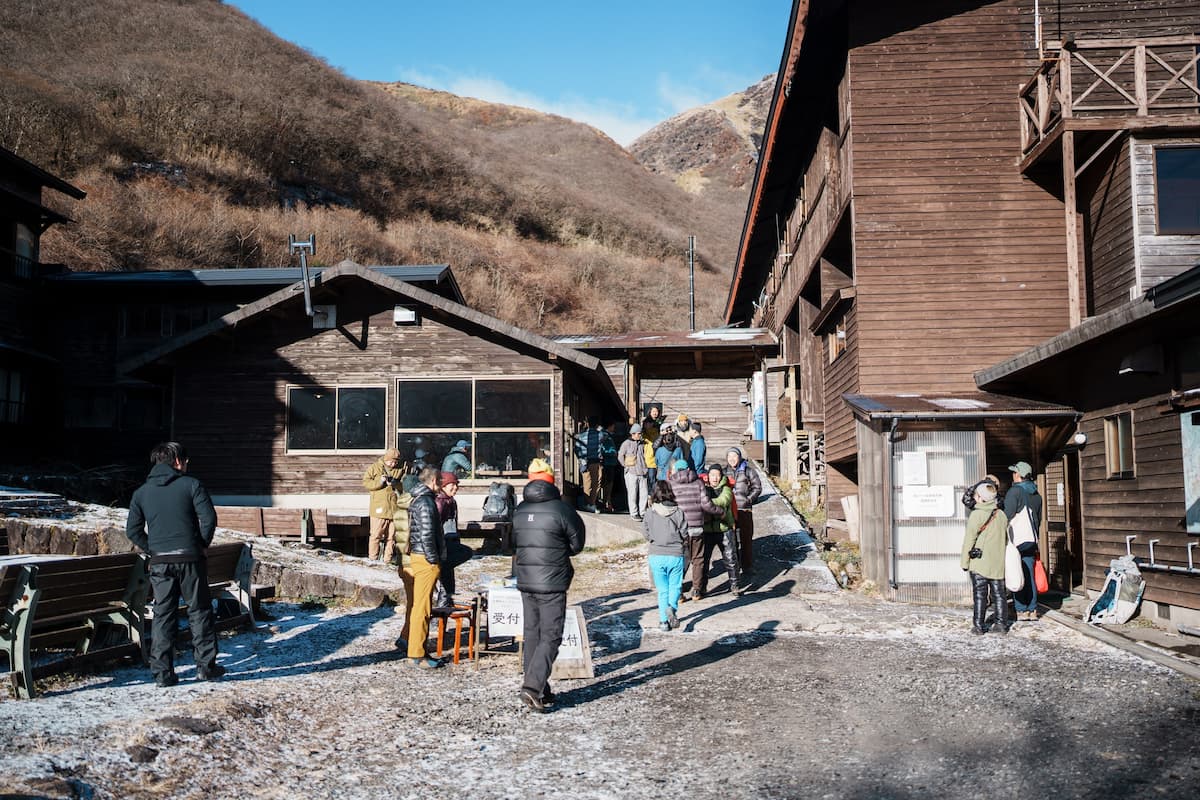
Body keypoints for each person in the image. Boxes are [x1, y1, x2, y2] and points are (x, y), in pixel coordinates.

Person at [124, 441, 224, 687]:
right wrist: (201, 544)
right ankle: (205, 667)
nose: (187, 465)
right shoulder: (192, 485)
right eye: (186, 461)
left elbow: (132, 530)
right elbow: (209, 519)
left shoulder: (141, 493)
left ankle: (162, 673)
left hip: (160, 562)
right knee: (199, 611)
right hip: (190, 558)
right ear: (178, 461)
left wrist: (152, 549)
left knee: (163, 615)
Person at [512, 459, 586, 712]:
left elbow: (513, 542)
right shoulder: (562, 510)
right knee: (551, 635)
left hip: (525, 580)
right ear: (551, 482)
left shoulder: (520, 510)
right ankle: (532, 688)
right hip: (552, 581)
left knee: (532, 633)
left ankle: (539, 686)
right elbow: (577, 544)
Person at [404, 466, 445, 669]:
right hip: (425, 559)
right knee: (423, 608)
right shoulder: (427, 503)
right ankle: (417, 654)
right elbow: (428, 535)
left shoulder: (417, 500)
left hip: (418, 556)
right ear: (434, 480)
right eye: (440, 481)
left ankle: (416, 650)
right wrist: (433, 559)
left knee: (420, 606)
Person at [961, 480, 1010, 635]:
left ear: (981, 498)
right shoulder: (1001, 514)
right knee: (999, 595)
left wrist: (965, 562)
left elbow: (969, 539)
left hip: (979, 562)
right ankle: (1001, 625)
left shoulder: (976, 515)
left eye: (976, 495)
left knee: (980, 595)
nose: (975, 497)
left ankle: (978, 626)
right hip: (997, 562)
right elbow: (1006, 538)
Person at [668, 459, 722, 601]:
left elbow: (669, 507)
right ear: (688, 469)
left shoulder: (671, 484)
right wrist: (719, 511)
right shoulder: (698, 483)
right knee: (698, 559)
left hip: (679, 529)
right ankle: (697, 591)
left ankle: (678, 593)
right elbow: (706, 505)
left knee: (680, 561)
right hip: (697, 527)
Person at [642, 480, 687, 631]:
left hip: (656, 554)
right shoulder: (679, 511)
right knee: (675, 586)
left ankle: (663, 622)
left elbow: (646, 533)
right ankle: (672, 609)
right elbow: (684, 532)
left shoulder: (650, 512)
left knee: (662, 590)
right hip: (675, 554)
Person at [1005, 461, 1043, 621]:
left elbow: (1007, 515)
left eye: (1014, 472)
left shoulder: (1015, 492)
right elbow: (1038, 519)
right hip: (1031, 539)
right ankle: (1032, 609)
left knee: (1016, 572)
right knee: (1029, 572)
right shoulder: (1036, 494)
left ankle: (1021, 610)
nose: (1013, 475)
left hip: (1017, 539)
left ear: (1019, 475)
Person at [435, 471, 475, 603]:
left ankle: (447, 601)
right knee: (450, 566)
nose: (455, 488)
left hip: (451, 539)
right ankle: (444, 601)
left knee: (448, 574)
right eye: (452, 485)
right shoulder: (440, 502)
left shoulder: (450, 501)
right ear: (443, 486)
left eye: (457, 485)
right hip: (444, 541)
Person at [702, 464, 741, 596]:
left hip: (724, 528)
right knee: (704, 559)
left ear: (721, 476)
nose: (715, 478)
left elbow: (724, 500)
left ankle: (735, 585)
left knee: (730, 557)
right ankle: (702, 586)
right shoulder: (703, 488)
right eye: (712, 475)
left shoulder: (726, 488)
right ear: (708, 476)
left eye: (717, 475)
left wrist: (706, 503)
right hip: (707, 529)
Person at [391, 473, 418, 652]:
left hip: (403, 562)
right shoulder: (413, 506)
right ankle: (407, 637)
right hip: (412, 562)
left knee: (413, 603)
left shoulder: (400, 503)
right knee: (416, 604)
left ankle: (408, 636)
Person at [362, 448, 404, 562]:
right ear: (386, 459)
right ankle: (372, 559)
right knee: (375, 535)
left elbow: (404, 485)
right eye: (391, 461)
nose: (393, 464)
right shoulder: (375, 467)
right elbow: (366, 482)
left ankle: (388, 560)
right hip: (379, 508)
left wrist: (396, 483)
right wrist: (380, 482)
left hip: (393, 508)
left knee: (392, 537)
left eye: (396, 462)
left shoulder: (400, 469)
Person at [725, 447, 763, 570]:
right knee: (732, 541)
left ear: (739, 457)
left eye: (734, 456)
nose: (732, 459)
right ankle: (735, 567)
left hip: (744, 509)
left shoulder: (748, 471)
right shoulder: (725, 472)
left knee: (746, 540)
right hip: (730, 511)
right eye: (729, 457)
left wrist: (749, 499)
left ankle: (747, 566)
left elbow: (757, 488)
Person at [574, 416, 611, 513]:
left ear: (588, 423)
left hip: (584, 462)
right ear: (597, 425)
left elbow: (576, 449)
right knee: (596, 483)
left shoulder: (581, 436)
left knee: (587, 483)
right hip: (596, 461)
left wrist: (581, 458)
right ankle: (591, 503)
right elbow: (607, 435)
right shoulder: (600, 434)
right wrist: (600, 428)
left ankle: (588, 503)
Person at [619, 423, 649, 519]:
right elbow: (620, 455)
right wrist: (625, 466)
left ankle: (643, 512)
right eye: (638, 433)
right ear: (633, 433)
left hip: (642, 471)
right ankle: (634, 513)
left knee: (644, 493)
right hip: (631, 472)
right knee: (632, 493)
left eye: (641, 433)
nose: (640, 435)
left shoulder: (643, 443)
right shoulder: (626, 443)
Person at [599, 422, 620, 512]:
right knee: (608, 483)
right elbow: (602, 449)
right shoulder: (604, 435)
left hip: (610, 462)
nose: (614, 427)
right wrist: (613, 453)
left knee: (609, 483)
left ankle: (607, 502)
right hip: (607, 462)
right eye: (613, 425)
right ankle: (606, 502)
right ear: (610, 425)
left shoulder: (608, 435)